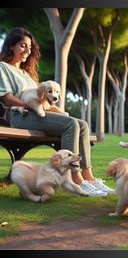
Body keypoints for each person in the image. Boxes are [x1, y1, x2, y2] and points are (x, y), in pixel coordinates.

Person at [0, 27, 114, 196]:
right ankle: (76, 179)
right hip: (18, 115)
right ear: (11, 46)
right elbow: (7, 98)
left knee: (81, 124)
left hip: (36, 113)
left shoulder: (26, 73)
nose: (27, 50)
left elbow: (43, 102)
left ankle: (88, 177)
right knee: (70, 125)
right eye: (22, 45)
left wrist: (58, 110)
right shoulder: (3, 67)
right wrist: (30, 105)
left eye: (29, 47)